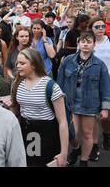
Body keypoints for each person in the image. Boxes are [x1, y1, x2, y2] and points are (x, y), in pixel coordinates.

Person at [7, 48, 68, 167]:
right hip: (25, 130)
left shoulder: (51, 86)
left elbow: (62, 121)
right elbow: (16, 110)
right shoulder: (17, 83)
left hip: (46, 132)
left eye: (22, 63)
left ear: (34, 65)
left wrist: (64, 153)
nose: (18, 66)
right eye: (17, 63)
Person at [57, 31, 110, 167]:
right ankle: (75, 149)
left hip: (90, 103)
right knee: (72, 133)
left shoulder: (100, 65)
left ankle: (84, 160)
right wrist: (58, 101)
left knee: (87, 134)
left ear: (94, 45)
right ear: (78, 43)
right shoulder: (68, 61)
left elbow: (105, 87)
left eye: (89, 42)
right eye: (83, 41)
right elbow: (60, 83)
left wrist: (105, 108)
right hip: (70, 102)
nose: (86, 44)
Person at [89, 16, 110, 158]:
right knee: (95, 115)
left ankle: (107, 135)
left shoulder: (109, 42)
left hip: (108, 82)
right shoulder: (87, 42)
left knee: (107, 115)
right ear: (91, 29)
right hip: (92, 82)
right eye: (97, 27)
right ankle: (94, 145)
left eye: (102, 26)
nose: (100, 29)